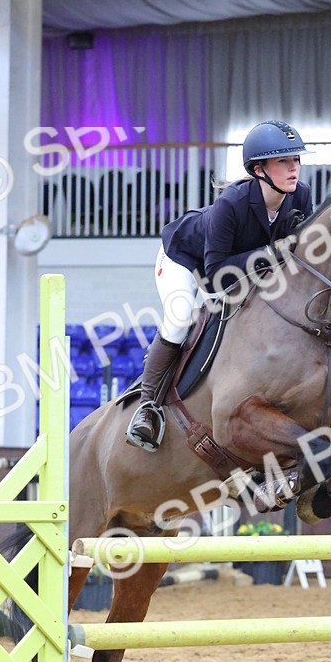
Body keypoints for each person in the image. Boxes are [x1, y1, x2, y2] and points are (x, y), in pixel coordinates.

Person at [127, 119, 314, 451]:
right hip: (185, 259)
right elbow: (214, 276)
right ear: (259, 169)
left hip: (241, 268)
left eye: (296, 160)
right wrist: (269, 253)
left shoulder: (301, 196)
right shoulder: (232, 204)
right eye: (283, 161)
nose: (293, 168)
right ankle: (148, 406)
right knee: (180, 318)